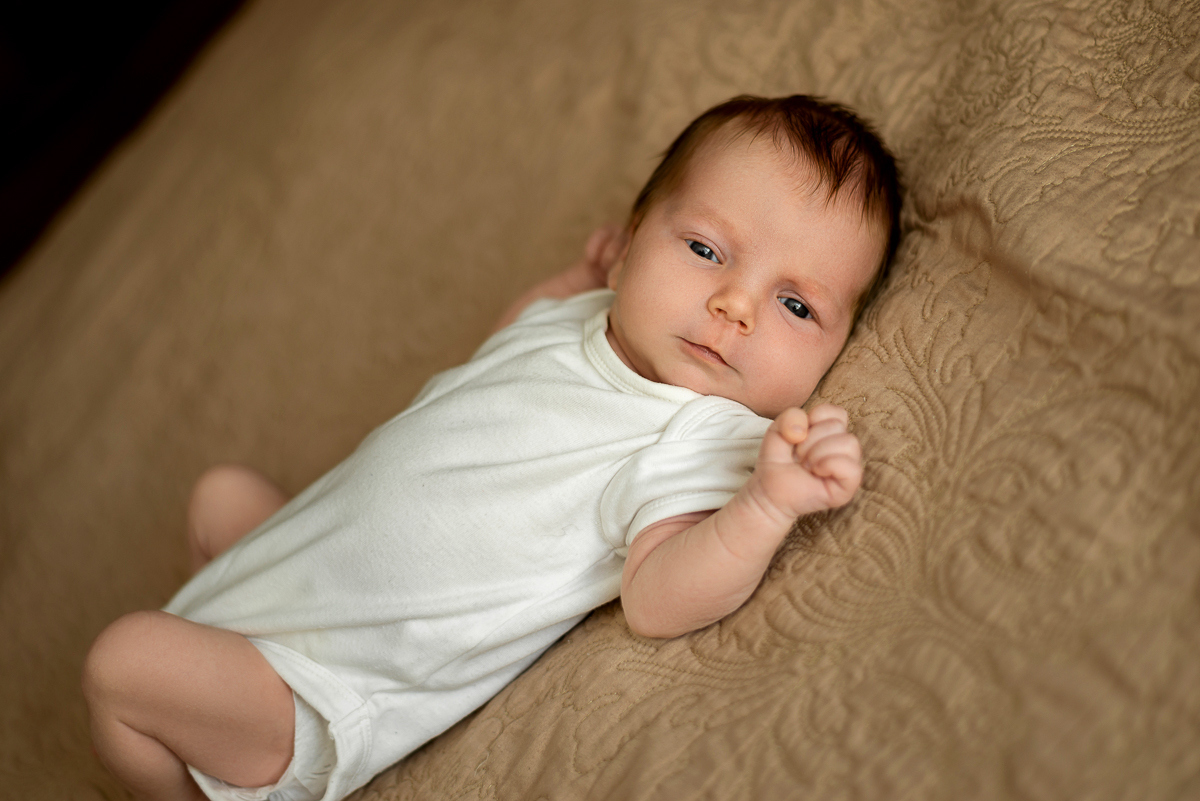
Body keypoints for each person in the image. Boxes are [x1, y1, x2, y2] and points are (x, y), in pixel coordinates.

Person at [82, 94, 901, 801]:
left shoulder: (701, 432)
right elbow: (500, 357)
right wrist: (561, 289)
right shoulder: (580, 320)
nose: (735, 305)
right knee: (219, 493)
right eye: (705, 250)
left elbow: (658, 597)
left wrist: (764, 505)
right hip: (294, 576)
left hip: (327, 690)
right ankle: (206, 661)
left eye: (796, 305)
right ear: (626, 246)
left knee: (122, 662)